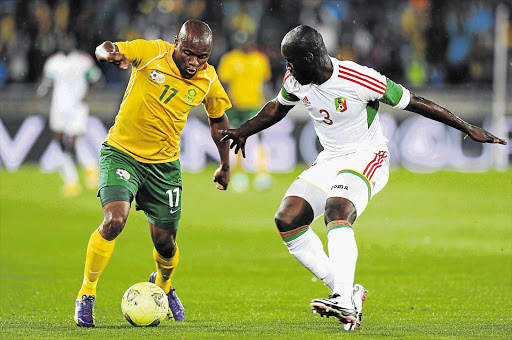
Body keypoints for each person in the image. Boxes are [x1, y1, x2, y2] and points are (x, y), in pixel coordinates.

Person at [220, 25, 507, 330]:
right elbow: (277, 108)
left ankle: (343, 300)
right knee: (287, 219)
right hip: (330, 158)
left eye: (290, 61)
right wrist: (243, 131)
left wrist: (467, 127)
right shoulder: (296, 80)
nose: (286, 68)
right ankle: (347, 292)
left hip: (367, 154)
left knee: (337, 209)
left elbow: (415, 101)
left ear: (309, 57)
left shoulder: (358, 78)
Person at [73, 20, 232, 327]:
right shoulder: (151, 52)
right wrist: (110, 55)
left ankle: (164, 285)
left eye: (203, 56)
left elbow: (219, 121)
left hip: (164, 167)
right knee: (114, 220)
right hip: (122, 153)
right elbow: (108, 47)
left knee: (166, 244)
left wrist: (225, 164)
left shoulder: (208, 79)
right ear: (176, 43)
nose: (194, 62)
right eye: (188, 53)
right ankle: (87, 292)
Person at [36, 33, 102, 197]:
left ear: (73, 43)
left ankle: (87, 168)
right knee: (61, 143)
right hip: (58, 107)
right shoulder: (53, 62)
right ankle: (75, 180)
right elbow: (48, 83)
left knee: (72, 141)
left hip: (77, 107)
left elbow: (96, 80)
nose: (65, 43)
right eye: (63, 41)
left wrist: (87, 97)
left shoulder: (83, 61)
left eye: (68, 40)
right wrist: (41, 93)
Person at [217, 36, 272, 192]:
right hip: (236, 106)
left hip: (255, 105)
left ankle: (262, 174)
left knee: (260, 139)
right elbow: (224, 83)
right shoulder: (230, 59)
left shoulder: (260, 60)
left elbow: (265, 82)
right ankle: (240, 174)